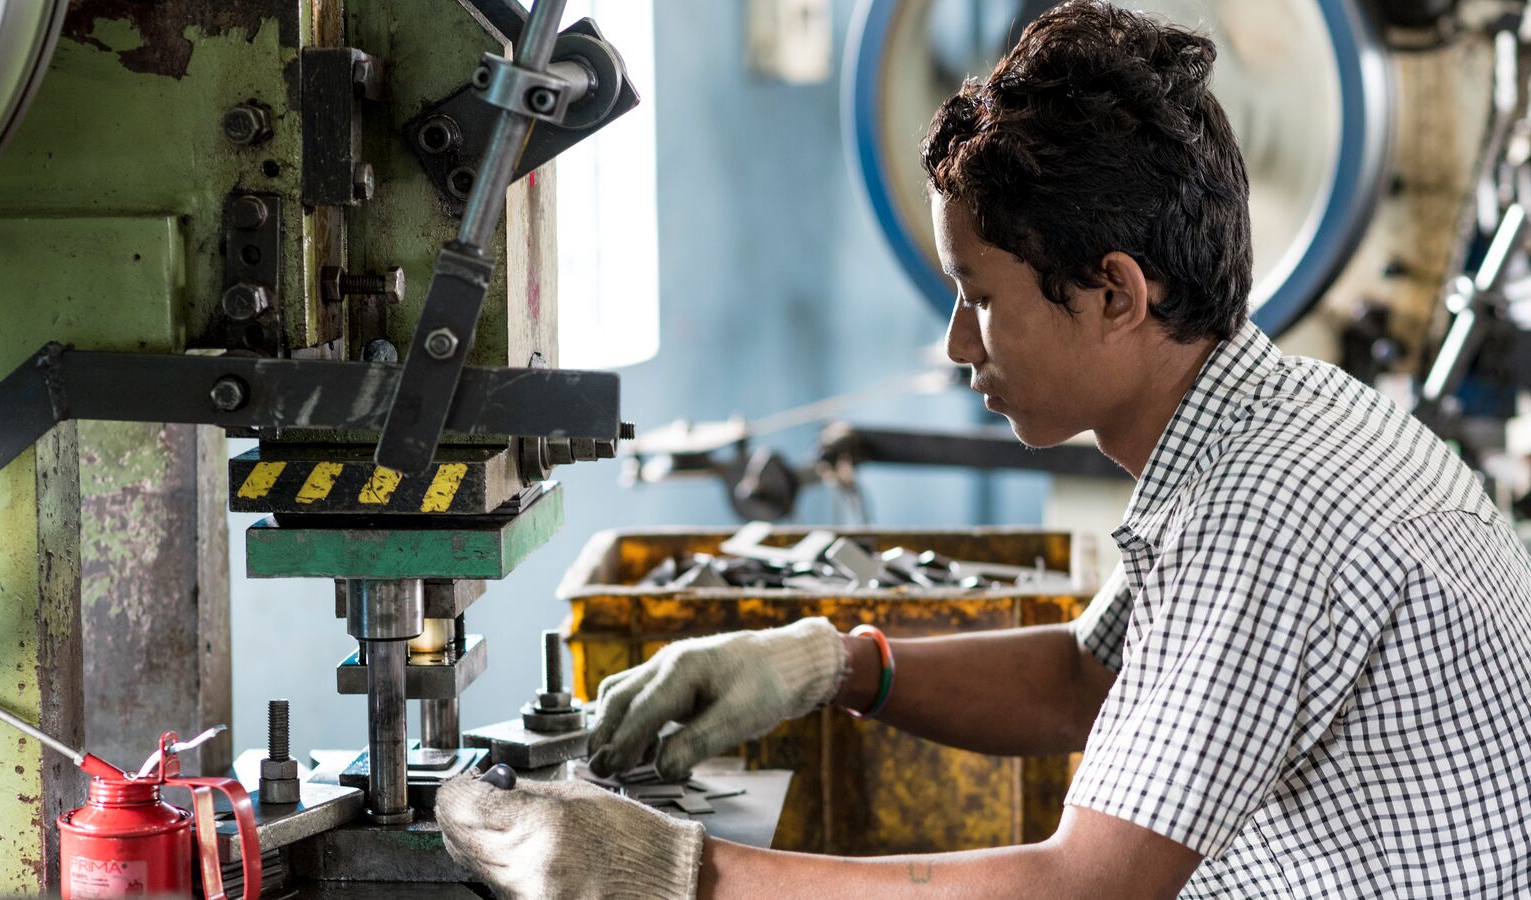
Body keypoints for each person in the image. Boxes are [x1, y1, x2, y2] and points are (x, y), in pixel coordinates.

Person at [435, 2, 1531, 897]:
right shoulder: (1275, 420)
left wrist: (683, 873)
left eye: (981, 299)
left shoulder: (1257, 515)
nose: (957, 344)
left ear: (1114, 293)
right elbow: (1082, 685)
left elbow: (1080, 891)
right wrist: (833, 663)